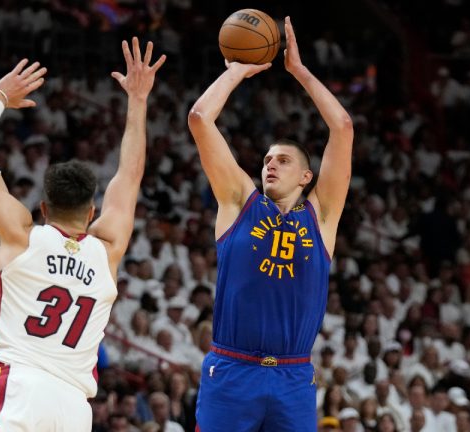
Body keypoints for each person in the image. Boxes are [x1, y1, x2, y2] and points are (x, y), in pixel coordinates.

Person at [0, 38, 165, 431]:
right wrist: (138, 100)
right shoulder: (108, 250)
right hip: (73, 407)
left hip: (19, 389)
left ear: (43, 208)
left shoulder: (22, 235)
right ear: (91, 212)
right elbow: (130, 175)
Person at [187, 17, 353, 431]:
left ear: (306, 176)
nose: (270, 164)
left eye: (283, 160)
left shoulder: (323, 215)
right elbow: (200, 118)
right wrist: (238, 71)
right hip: (232, 367)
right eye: (266, 160)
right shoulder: (239, 202)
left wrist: (299, 71)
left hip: (293, 376)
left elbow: (343, 127)